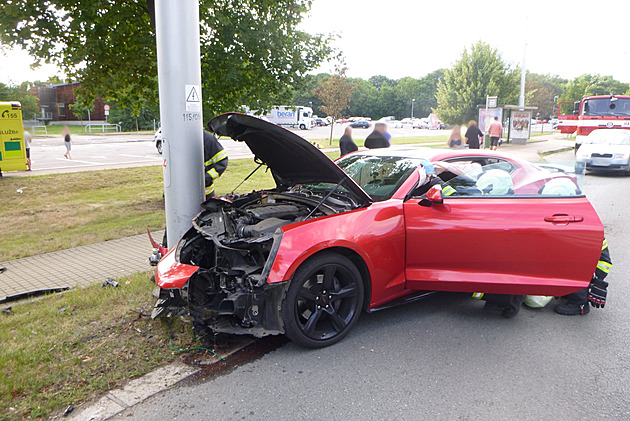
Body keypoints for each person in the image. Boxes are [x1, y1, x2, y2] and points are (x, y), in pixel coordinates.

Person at [554, 238, 612, 316]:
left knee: (576, 261)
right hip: (589, 267)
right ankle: (568, 291)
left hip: (593, 269)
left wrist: (598, 281)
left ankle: (579, 304)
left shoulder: (589, 235)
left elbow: (604, 263)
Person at [203, 128, 228, 199]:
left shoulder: (207, 138)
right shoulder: (174, 137)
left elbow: (222, 161)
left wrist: (206, 178)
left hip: (205, 193)